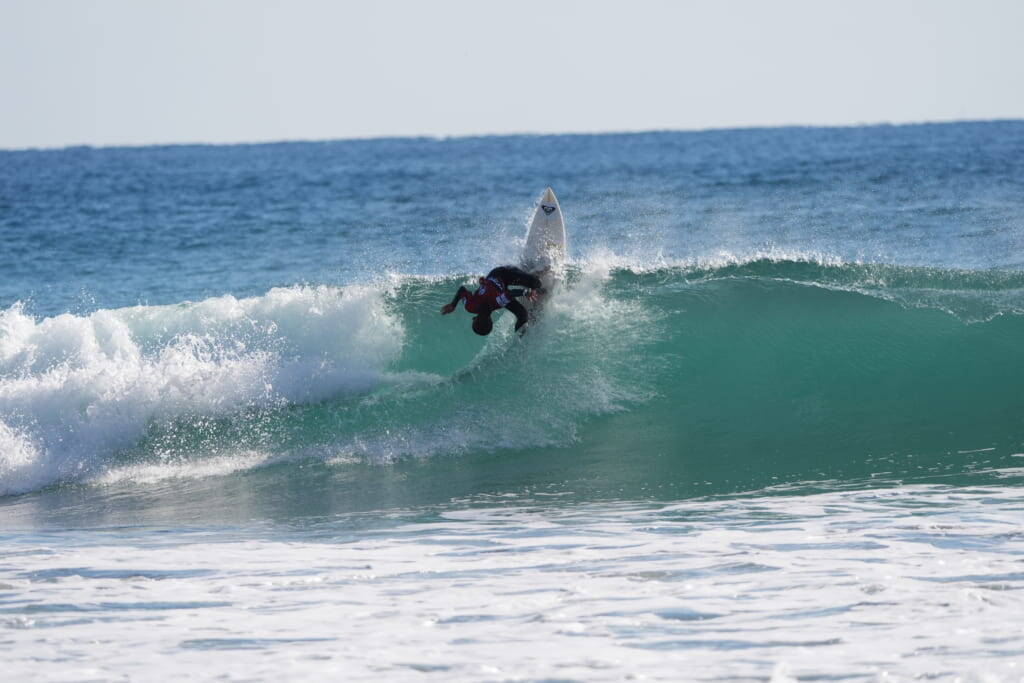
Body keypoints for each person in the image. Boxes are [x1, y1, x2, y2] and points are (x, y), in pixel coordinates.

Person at [440, 266, 544, 335]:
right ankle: (520, 337)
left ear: (491, 321)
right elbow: (462, 290)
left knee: (536, 284)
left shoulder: (496, 302)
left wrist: (526, 293)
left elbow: (510, 294)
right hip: (498, 284)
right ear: (474, 318)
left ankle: (534, 273)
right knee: (522, 314)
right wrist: (453, 305)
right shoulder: (470, 306)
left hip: (503, 274)